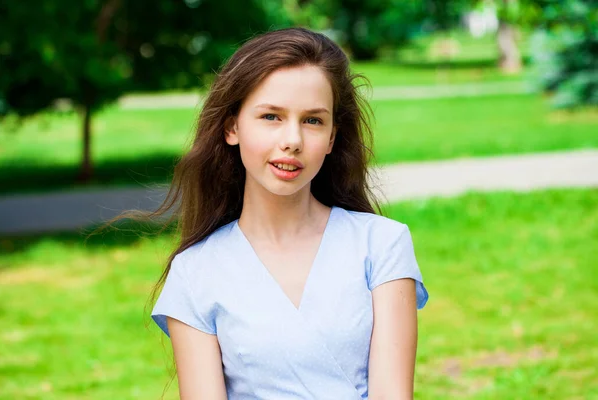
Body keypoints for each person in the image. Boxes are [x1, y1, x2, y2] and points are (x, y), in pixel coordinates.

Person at [150, 27, 429, 399]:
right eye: (271, 116)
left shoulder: (381, 245)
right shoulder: (196, 272)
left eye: (313, 120)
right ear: (232, 126)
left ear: (332, 137)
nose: (292, 141)